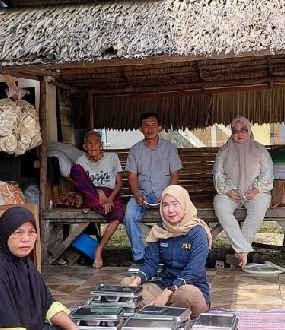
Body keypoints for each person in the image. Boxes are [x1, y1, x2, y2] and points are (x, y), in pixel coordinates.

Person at [120, 185, 210, 317]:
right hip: (163, 285)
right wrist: (137, 280)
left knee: (187, 294)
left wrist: (168, 292)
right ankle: (163, 312)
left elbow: (194, 272)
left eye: (175, 204)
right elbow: (150, 264)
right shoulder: (159, 230)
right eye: (165, 205)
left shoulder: (198, 232)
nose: (170, 210)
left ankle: (155, 311)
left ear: (184, 205)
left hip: (190, 287)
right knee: (127, 284)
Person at [212, 116, 274, 268]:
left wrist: (256, 189)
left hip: (255, 192)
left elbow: (267, 173)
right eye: (235, 131)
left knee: (259, 207)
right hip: (232, 193)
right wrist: (228, 191)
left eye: (243, 130)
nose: (239, 134)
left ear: (249, 130)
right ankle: (243, 249)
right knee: (220, 204)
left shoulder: (259, 150)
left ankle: (241, 251)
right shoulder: (224, 150)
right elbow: (218, 174)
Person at [124, 113, 182, 263]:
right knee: (129, 214)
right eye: (146, 126)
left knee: (174, 213)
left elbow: (175, 175)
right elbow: (132, 176)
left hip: (165, 193)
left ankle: (171, 255)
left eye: (153, 125)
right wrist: (137, 195)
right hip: (143, 193)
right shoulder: (135, 150)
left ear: (160, 127)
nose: (150, 129)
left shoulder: (169, 148)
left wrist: (167, 195)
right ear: (140, 129)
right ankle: (139, 256)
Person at [70, 130, 125, 269]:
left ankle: (99, 249)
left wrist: (110, 198)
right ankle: (92, 204)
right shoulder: (81, 161)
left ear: (101, 145)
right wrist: (98, 192)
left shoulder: (112, 157)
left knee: (118, 213)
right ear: (85, 146)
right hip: (92, 194)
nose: (93, 146)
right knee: (75, 170)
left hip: (110, 195)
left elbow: (119, 183)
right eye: (90, 143)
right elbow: (81, 184)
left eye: (96, 143)